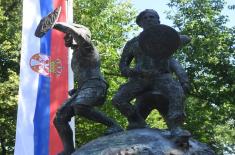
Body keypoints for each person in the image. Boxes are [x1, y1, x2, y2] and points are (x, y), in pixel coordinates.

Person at [112, 9, 191, 139]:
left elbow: (186, 40)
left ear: (158, 21)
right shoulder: (132, 43)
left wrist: (184, 80)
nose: (149, 19)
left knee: (177, 94)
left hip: (162, 77)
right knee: (118, 100)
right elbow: (123, 67)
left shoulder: (166, 38)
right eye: (145, 18)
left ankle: (176, 127)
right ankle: (136, 120)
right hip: (140, 78)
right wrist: (137, 71)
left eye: (152, 17)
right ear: (140, 23)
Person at [52, 23, 122, 155]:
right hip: (84, 87)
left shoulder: (87, 47)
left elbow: (80, 36)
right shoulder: (76, 53)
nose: (66, 37)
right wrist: (77, 89)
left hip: (96, 84)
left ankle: (114, 125)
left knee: (80, 106)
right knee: (60, 118)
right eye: (65, 35)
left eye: (69, 35)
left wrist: (56, 25)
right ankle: (68, 150)